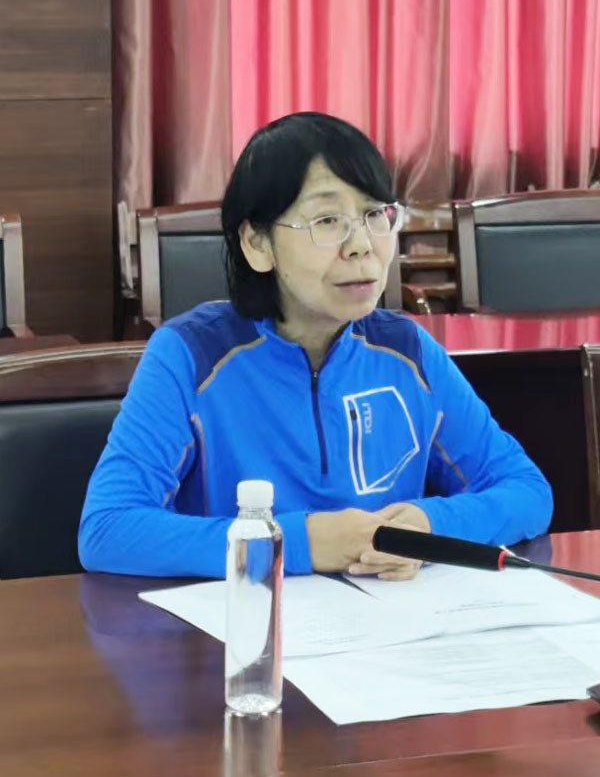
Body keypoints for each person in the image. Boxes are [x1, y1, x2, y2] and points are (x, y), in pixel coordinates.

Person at [79, 112, 553, 581]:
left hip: (387, 619)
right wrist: (298, 543)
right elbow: (107, 529)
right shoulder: (190, 355)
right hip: (244, 622)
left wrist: (430, 528)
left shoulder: (408, 351)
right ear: (258, 244)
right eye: (327, 221)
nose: (361, 245)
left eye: (375, 215)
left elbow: (527, 490)